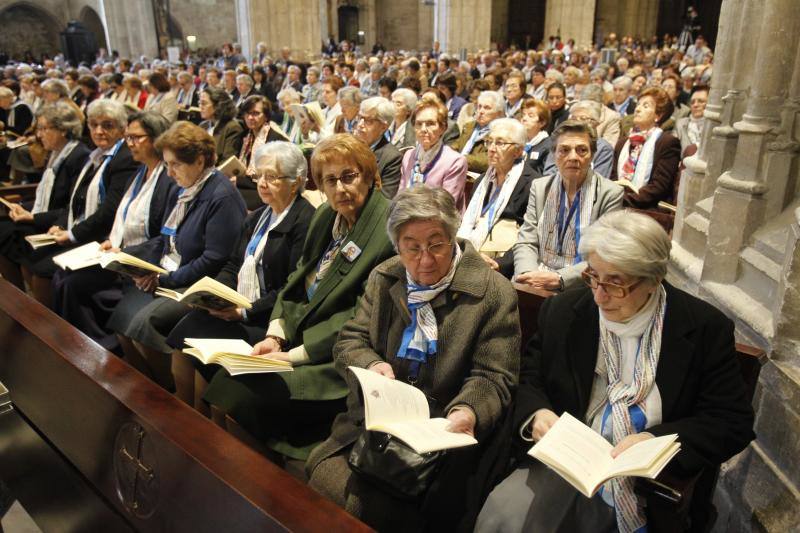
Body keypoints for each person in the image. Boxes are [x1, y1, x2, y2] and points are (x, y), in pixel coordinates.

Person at [476, 210, 755, 533]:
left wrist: (655, 440)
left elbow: (731, 421)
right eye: (593, 276)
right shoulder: (566, 311)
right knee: (503, 518)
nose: (599, 295)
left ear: (653, 279)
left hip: (648, 481)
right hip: (569, 463)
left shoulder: (702, 328)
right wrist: (537, 415)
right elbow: (529, 380)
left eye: (616, 284)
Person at [307, 186, 520, 532]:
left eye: (436, 244)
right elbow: (351, 339)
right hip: (375, 426)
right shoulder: (385, 276)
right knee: (327, 487)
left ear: (453, 237)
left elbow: (493, 375)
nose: (424, 259)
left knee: (378, 509)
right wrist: (373, 367)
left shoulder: (493, 292)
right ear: (397, 245)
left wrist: (468, 411)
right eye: (412, 247)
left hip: (442, 441)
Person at [201, 134, 395, 463]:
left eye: (349, 176)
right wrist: (276, 335)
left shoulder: (386, 229)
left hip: (335, 358)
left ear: (368, 174)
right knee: (222, 383)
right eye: (329, 181)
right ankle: (222, 473)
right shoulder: (326, 217)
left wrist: (294, 356)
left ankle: (258, 486)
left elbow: (360, 316)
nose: (340, 189)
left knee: (240, 396)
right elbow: (296, 282)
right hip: (295, 340)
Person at [168, 141, 315, 411]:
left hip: (270, 321)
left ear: (296, 182)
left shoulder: (305, 222)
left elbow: (291, 288)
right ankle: (179, 411)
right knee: (186, 331)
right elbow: (233, 265)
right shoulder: (258, 217)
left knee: (205, 351)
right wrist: (214, 295)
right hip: (239, 307)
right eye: (259, 175)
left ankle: (196, 425)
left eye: (272, 177)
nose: (262, 184)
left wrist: (243, 313)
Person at [108, 121, 246, 391]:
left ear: (199, 161)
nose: (169, 173)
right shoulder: (187, 188)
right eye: (167, 165)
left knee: (146, 323)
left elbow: (214, 259)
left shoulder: (220, 195)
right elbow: (166, 238)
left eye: (175, 165)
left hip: (200, 282)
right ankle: (147, 388)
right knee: (121, 320)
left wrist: (164, 279)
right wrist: (131, 259)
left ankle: (167, 396)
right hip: (172, 273)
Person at [52, 111, 177, 351]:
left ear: (156, 139)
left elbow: (166, 236)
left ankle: (94, 351)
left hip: (143, 263)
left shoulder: (168, 178)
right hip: (121, 255)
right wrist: (112, 241)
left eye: (135, 138)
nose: (129, 144)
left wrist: (126, 251)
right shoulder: (140, 171)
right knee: (62, 276)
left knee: (74, 284)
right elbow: (123, 216)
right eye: (127, 138)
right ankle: (74, 348)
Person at [25, 99, 139, 306]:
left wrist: (71, 235)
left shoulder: (124, 159)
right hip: (83, 229)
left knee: (43, 270)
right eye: (94, 125)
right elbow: (75, 199)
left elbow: (109, 211)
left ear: (123, 129)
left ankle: (49, 327)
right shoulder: (96, 155)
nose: (99, 131)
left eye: (107, 125)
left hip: (101, 237)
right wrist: (60, 224)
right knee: (31, 253)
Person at [513, 120, 624, 291]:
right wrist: (528, 274)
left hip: (581, 282)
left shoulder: (610, 194)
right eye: (564, 150)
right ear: (554, 154)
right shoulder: (540, 187)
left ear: (592, 155)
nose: (573, 157)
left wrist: (561, 279)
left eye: (581, 150)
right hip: (535, 275)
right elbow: (527, 240)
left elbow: (603, 255)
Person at [0, 103, 90, 290]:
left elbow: (71, 206)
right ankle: (16, 297)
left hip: (62, 224)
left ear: (63, 130)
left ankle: (23, 302)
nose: (39, 134)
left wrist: (33, 216)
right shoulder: (57, 153)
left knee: (11, 236)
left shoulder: (79, 156)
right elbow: (47, 197)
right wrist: (25, 206)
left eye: (43, 128)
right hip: (49, 217)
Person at [458, 118, 534, 277]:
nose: (491, 149)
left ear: (518, 151)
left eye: (500, 143)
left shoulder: (532, 184)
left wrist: (501, 264)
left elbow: (531, 237)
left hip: (503, 265)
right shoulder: (481, 181)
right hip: (472, 254)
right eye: (489, 142)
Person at [611, 87, 682, 209]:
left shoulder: (667, 142)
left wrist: (623, 201)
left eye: (645, 106)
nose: (637, 109)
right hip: (618, 204)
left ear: (658, 116)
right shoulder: (622, 143)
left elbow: (658, 187)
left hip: (647, 209)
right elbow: (613, 179)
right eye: (638, 105)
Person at [399, 99, 468, 211]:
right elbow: (400, 195)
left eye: (430, 124)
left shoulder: (455, 161)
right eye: (419, 124)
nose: (423, 129)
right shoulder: (408, 155)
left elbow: (446, 207)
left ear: (443, 128)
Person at [236, 95, 288, 209]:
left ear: (266, 116)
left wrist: (238, 180)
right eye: (247, 113)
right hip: (251, 186)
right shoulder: (246, 136)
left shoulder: (275, 140)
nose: (250, 117)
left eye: (255, 113)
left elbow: (270, 177)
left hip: (269, 189)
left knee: (229, 196)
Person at [353, 96, 402, 198]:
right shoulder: (348, 146)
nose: (360, 124)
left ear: (383, 127)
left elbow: (385, 198)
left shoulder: (392, 157)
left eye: (368, 120)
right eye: (360, 118)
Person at [449, 90, 505, 174]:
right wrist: (446, 152)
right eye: (479, 107)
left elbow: (487, 160)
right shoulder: (469, 126)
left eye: (487, 108)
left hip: (477, 177)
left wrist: (459, 159)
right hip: (456, 169)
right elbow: (457, 144)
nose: (481, 111)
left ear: (499, 113)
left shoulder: (501, 132)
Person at [199, 86, 243, 162]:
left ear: (218, 105)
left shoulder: (232, 127)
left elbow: (227, 162)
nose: (200, 107)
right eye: (199, 103)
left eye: (204, 103)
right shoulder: (203, 125)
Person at [520, 98, 551, 175]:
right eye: (523, 115)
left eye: (530, 116)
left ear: (542, 122)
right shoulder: (518, 142)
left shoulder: (549, 146)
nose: (524, 118)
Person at [674, 85, 708, 152]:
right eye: (692, 102)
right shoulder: (681, 124)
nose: (695, 105)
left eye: (701, 101)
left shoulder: (715, 126)